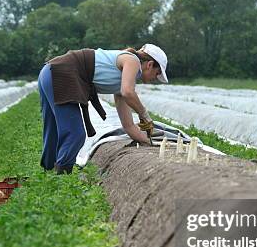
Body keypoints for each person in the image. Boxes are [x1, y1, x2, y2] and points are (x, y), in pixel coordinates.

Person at [38, 44, 168, 174]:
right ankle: (61, 178)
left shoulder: (121, 82)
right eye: (157, 74)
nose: (154, 79)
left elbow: (128, 126)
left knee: (53, 129)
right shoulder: (132, 60)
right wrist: (144, 115)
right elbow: (128, 92)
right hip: (61, 73)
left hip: (49, 72)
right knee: (75, 134)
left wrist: (147, 141)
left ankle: (48, 173)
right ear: (150, 64)